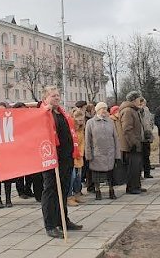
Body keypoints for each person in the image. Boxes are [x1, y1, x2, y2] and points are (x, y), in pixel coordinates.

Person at [40, 86, 82, 238]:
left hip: (66, 158)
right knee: (51, 191)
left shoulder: (60, 112)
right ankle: (50, 225)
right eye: (53, 96)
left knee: (63, 191)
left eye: (58, 95)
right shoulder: (44, 113)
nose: (56, 98)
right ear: (45, 98)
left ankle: (63, 219)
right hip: (52, 159)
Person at [85, 102, 121, 200]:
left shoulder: (110, 122)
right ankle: (97, 191)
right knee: (96, 175)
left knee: (110, 175)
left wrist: (117, 154)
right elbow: (87, 140)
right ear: (97, 110)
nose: (104, 111)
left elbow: (116, 138)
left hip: (109, 153)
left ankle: (111, 191)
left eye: (105, 109)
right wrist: (88, 155)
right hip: (97, 153)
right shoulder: (90, 123)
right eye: (102, 109)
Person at [118, 91, 146, 194]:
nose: (140, 101)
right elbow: (127, 129)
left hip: (136, 143)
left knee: (137, 167)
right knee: (133, 167)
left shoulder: (134, 110)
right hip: (131, 145)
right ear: (134, 100)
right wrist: (133, 143)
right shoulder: (128, 111)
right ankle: (132, 188)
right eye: (139, 99)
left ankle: (136, 185)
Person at [67, 108, 86, 207]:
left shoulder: (81, 129)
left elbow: (82, 142)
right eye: (78, 120)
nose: (80, 122)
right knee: (72, 176)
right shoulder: (70, 128)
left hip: (79, 155)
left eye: (82, 120)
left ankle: (77, 194)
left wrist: (81, 153)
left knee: (78, 177)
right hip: (71, 155)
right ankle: (69, 197)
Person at [140, 98, 155, 178]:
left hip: (147, 135)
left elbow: (150, 121)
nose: (143, 105)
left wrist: (151, 128)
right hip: (141, 136)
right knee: (142, 156)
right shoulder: (138, 111)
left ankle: (147, 172)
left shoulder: (147, 110)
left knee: (147, 155)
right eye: (142, 103)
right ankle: (142, 173)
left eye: (144, 103)